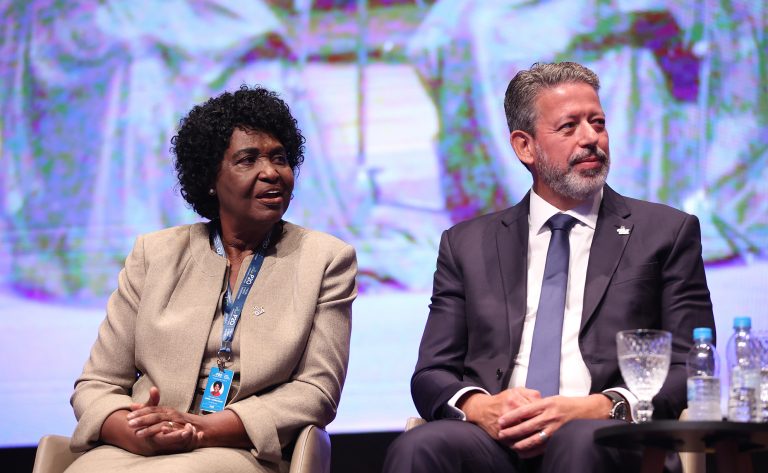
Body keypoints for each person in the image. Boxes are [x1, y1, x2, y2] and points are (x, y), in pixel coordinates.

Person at [383, 62, 715, 473]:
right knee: (420, 448)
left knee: (579, 440)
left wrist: (601, 406)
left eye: (598, 122)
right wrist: (481, 406)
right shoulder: (466, 244)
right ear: (525, 147)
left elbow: (692, 364)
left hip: (609, 438)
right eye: (569, 127)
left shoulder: (666, 232)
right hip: (496, 438)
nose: (591, 138)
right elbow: (432, 372)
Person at [65, 85, 357, 473]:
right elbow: (97, 383)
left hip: (241, 449)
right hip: (139, 447)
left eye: (280, 158)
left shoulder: (325, 260)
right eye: (247, 159)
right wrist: (131, 429)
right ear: (210, 178)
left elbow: (316, 393)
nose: (270, 172)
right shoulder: (155, 254)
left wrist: (204, 429)